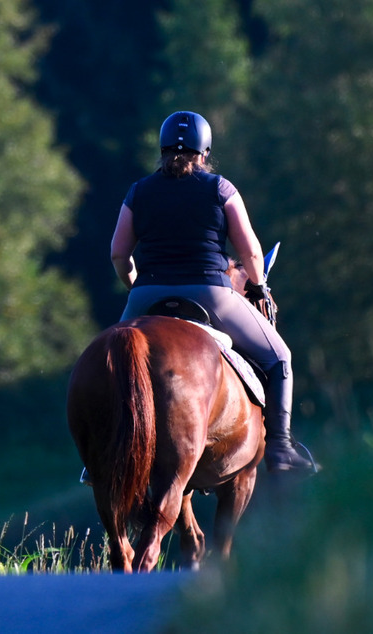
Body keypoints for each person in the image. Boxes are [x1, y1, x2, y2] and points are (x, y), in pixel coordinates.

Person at [109, 110, 315, 474]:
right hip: (211, 294)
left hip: (146, 295)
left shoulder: (138, 192)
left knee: (114, 365)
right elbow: (251, 253)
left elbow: (118, 253)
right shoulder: (220, 188)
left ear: (161, 149)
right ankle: (281, 448)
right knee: (280, 358)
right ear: (204, 152)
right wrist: (261, 286)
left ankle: (102, 457)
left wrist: (136, 288)